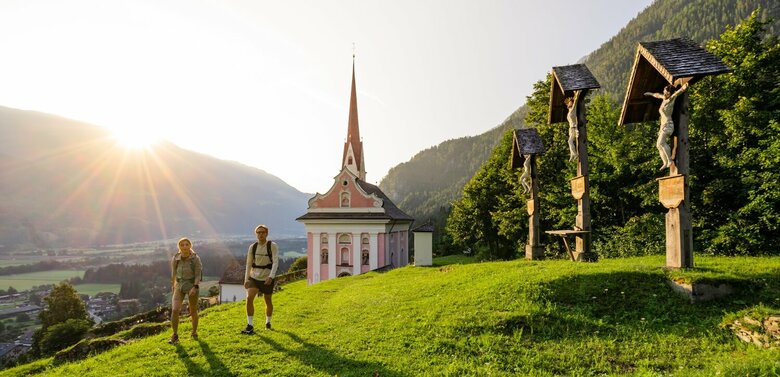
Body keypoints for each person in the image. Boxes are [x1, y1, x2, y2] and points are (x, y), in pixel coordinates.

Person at [241, 224, 279, 334]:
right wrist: (246, 279)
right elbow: (248, 264)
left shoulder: (272, 246)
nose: (261, 234)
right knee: (249, 298)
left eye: (263, 232)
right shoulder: (252, 247)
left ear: (266, 233)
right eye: (258, 232)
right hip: (254, 277)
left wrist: (271, 277)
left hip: (267, 277)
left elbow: (276, 262)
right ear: (256, 234)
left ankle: (268, 322)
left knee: (268, 300)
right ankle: (250, 325)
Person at [644, 82, 689, 170]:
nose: (664, 94)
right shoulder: (664, 98)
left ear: (669, 93)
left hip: (668, 125)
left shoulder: (671, 99)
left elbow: (678, 92)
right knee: (658, 145)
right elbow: (657, 95)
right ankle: (665, 162)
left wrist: (684, 87)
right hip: (663, 126)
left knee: (661, 143)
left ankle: (670, 160)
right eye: (664, 92)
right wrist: (649, 93)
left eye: (666, 93)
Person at [169, 237, 202, 344]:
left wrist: (195, 287)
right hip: (179, 285)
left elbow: (198, 275)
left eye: (186, 244)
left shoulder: (195, 259)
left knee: (192, 310)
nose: (184, 247)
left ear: (190, 246)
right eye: (182, 245)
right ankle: (175, 335)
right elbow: (173, 273)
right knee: (175, 310)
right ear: (179, 247)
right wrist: (173, 286)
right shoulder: (176, 258)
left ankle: (194, 332)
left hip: (192, 285)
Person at [564, 90, 582, 162]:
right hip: (571, 128)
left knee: (570, 141)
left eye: (570, 102)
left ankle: (574, 154)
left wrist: (577, 93)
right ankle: (573, 154)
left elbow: (576, 100)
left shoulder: (573, 109)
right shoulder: (569, 112)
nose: (569, 104)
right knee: (569, 141)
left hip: (574, 127)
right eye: (568, 103)